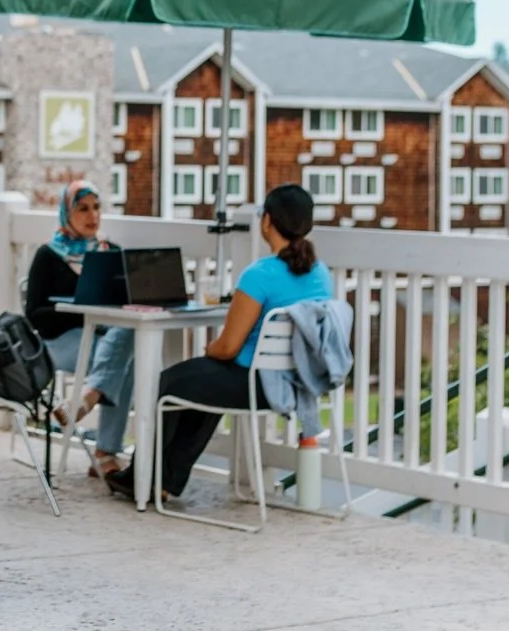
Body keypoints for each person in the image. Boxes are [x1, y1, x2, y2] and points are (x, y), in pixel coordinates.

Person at [108, 183, 332, 502]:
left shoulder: (261, 274)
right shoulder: (322, 274)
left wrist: (209, 350)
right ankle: (165, 480)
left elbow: (227, 347)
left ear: (266, 221)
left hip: (258, 384)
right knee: (203, 382)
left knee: (168, 383)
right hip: (300, 382)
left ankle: (143, 478)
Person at [24, 180, 134, 480]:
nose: (92, 216)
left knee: (128, 341)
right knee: (127, 362)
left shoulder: (111, 252)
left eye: (97, 208)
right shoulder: (49, 255)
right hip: (58, 341)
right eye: (83, 208)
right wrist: (81, 314)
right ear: (66, 212)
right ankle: (105, 453)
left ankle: (85, 400)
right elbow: (34, 315)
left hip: (104, 341)